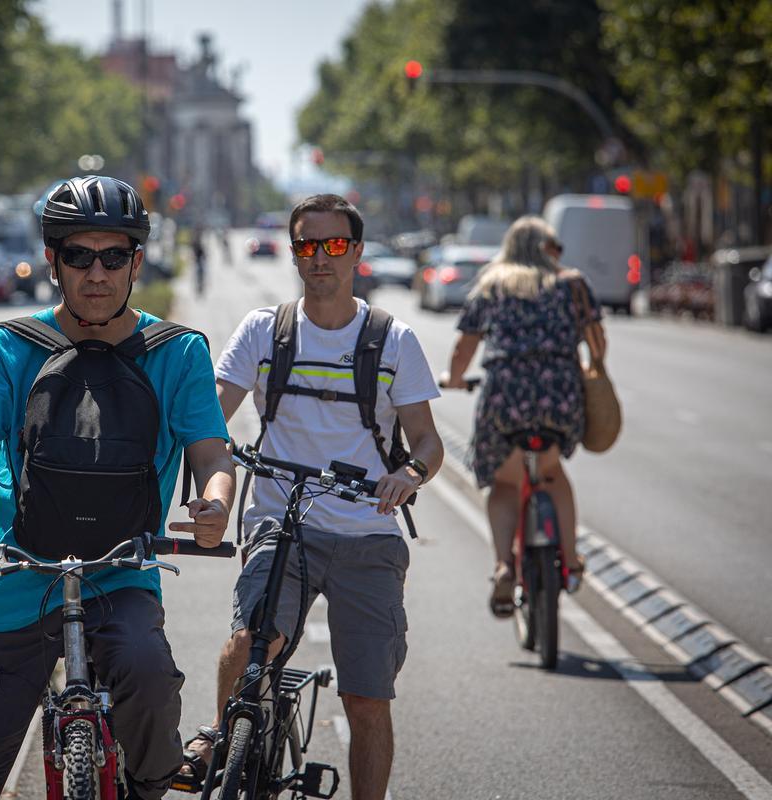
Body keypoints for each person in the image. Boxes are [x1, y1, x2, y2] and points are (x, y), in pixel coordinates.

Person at [0, 175, 236, 800]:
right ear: (52, 262)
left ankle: (145, 790)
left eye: (114, 256)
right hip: (15, 576)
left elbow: (212, 454)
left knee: (149, 679)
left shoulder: (179, 352)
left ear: (137, 262)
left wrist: (216, 504)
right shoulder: (8, 347)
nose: (97, 273)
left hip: (122, 573)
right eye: (78, 256)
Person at [179, 194, 444, 800]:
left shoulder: (392, 339)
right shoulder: (264, 331)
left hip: (368, 531)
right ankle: (222, 739)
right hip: (282, 519)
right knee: (252, 643)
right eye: (306, 245)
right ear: (293, 251)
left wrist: (410, 473)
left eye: (332, 245)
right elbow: (208, 426)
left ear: (354, 252)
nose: (319, 258)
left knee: (367, 696)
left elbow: (428, 441)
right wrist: (210, 486)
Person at [439, 215, 600, 617]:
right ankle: (572, 558)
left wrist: (455, 379)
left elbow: (465, 346)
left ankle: (503, 567)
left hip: (505, 396)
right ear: (550, 250)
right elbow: (598, 343)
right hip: (560, 396)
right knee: (552, 472)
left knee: (504, 482)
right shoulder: (572, 284)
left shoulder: (494, 283)